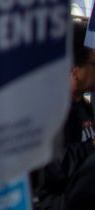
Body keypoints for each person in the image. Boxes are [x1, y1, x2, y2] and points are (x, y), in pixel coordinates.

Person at [32, 19, 95, 210]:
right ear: (76, 69)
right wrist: (91, 146)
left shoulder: (84, 106)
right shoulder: (49, 111)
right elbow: (53, 166)